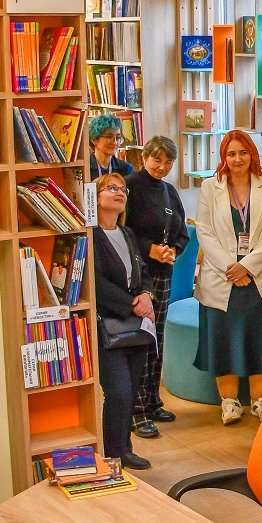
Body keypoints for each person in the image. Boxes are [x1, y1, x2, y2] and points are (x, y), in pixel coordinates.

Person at [194, 130, 262, 425]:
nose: (237, 159)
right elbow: (204, 231)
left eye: (243, 153)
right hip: (222, 276)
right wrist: (231, 268)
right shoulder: (210, 187)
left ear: (253, 155)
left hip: (259, 276)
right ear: (223, 157)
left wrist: (246, 266)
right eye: (231, 153)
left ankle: (260, 401)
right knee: (224, 339)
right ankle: (229, 403)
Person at [124, 136, 190, 439]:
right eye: (157, 160)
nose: (162, 167)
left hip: (163, 272)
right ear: (144, 158)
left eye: (168, 162)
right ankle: (135, 411)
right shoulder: (130, 186)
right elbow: (121, 231)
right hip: (137, 275)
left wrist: (173, 250)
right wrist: (149, 249)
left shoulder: (169, 191)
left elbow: (182, 232)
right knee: (139, 337)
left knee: (156, 337)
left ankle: (152, 401)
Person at [92, 173, 154, 471]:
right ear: (96, 197)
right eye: (112, 188)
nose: (120, 193)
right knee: (117, 392)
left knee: (130, 391)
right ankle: (112, 454)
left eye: (123, 190)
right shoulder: (91, 236)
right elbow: (95, 282)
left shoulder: (127, 233)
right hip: (110, 324)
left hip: (135, 326)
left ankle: (124, 450)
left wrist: (147, 295)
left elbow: (143, 272)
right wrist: (132, 304)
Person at [88, 113, 134, 180]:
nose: (115, 143)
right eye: (109, 137)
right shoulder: (85, 167)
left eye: (118, 138)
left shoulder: (126, 169)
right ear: (94, 139)